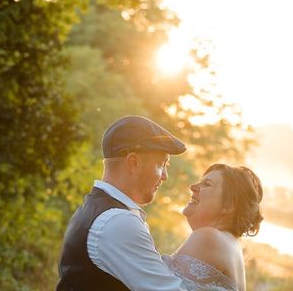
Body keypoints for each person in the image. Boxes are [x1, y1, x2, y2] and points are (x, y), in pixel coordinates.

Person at [56, 115, 190, 291]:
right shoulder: (118, 222)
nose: (165, 176)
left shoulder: (92, 208)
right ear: (133, 162)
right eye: (160, 164)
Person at [164, 164, 264, 291]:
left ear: (229, 205)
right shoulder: (231, 243)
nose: (193, 187)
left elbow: (156, 287)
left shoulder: (210, 237)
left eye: (207, 184)